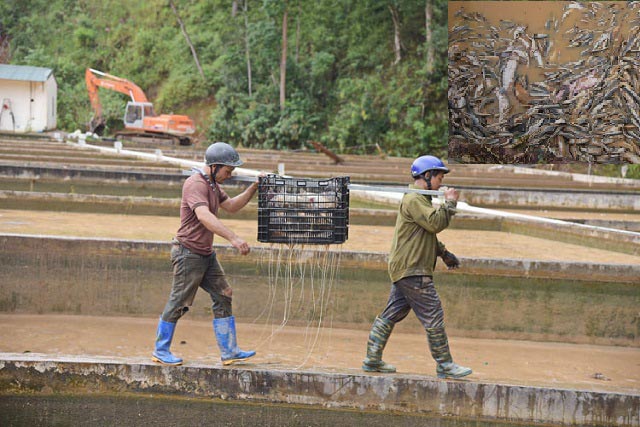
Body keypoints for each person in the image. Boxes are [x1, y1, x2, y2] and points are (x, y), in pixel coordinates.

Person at [362, 155, 472, 379]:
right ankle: (445, 364)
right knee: (433, 313)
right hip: (413, 269)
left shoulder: (421, 200)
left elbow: (426, 234)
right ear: (427, 176)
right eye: (439, 177)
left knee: (392, 313)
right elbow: (434, 223)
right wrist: (450, 203)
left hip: (406, 268)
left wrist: (444, 254)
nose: (441, 183)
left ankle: (372, 359)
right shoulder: (413, 199)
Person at [152, 142, 259, 366]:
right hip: (188, 253)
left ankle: (229, 351)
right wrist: (234, 238)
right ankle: (160, 350)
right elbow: (204, 216)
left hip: (205, 254)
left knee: (224, 293)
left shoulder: (212, 184)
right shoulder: (195, 184)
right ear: (215, 166)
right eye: (227, 171)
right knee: (179, 301)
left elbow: (230, 206)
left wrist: (254, 187)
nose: (229, 176)